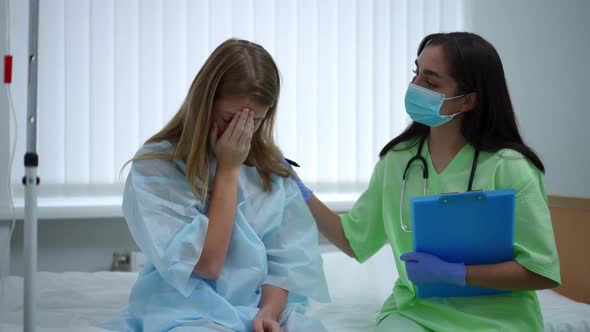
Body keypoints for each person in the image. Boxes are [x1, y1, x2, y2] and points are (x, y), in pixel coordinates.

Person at [293, 32, 560, 331]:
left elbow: (540, 272)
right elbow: (354, 241)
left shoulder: (510, 167)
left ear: (468, 99)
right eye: (415, 73)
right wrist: (298, 189)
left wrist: (458, 274)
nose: (414, 87)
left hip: (498, 321)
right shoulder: (397, 161)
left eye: (431, 83)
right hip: (415, 313)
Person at [104, 39, 330, 332]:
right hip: (185, 307)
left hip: (258, 306)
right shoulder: (157, 166)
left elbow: (285, 264)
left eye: (254, 121)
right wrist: (229, 169)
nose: (240, 132)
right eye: (229, 119)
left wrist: (268, 315)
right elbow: (207, 264)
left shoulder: (271, 170)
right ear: (204, 103)